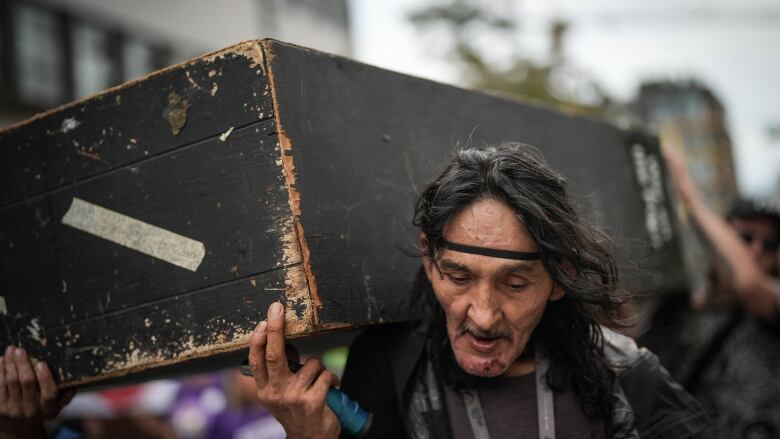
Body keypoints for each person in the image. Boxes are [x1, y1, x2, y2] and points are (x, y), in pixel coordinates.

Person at [246, 144, 709, 438]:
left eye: (515, 283)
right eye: (460, 277)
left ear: (559, 278)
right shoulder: (388, 373)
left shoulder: (626, 377)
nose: (484, 315)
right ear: (429, 261)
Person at [640, 145, 780, 438]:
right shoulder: (679, 300)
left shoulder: (771, 305)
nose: (754, 250)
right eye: (744, 237)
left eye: (769, 243)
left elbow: (748, 283)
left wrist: (690, 196)